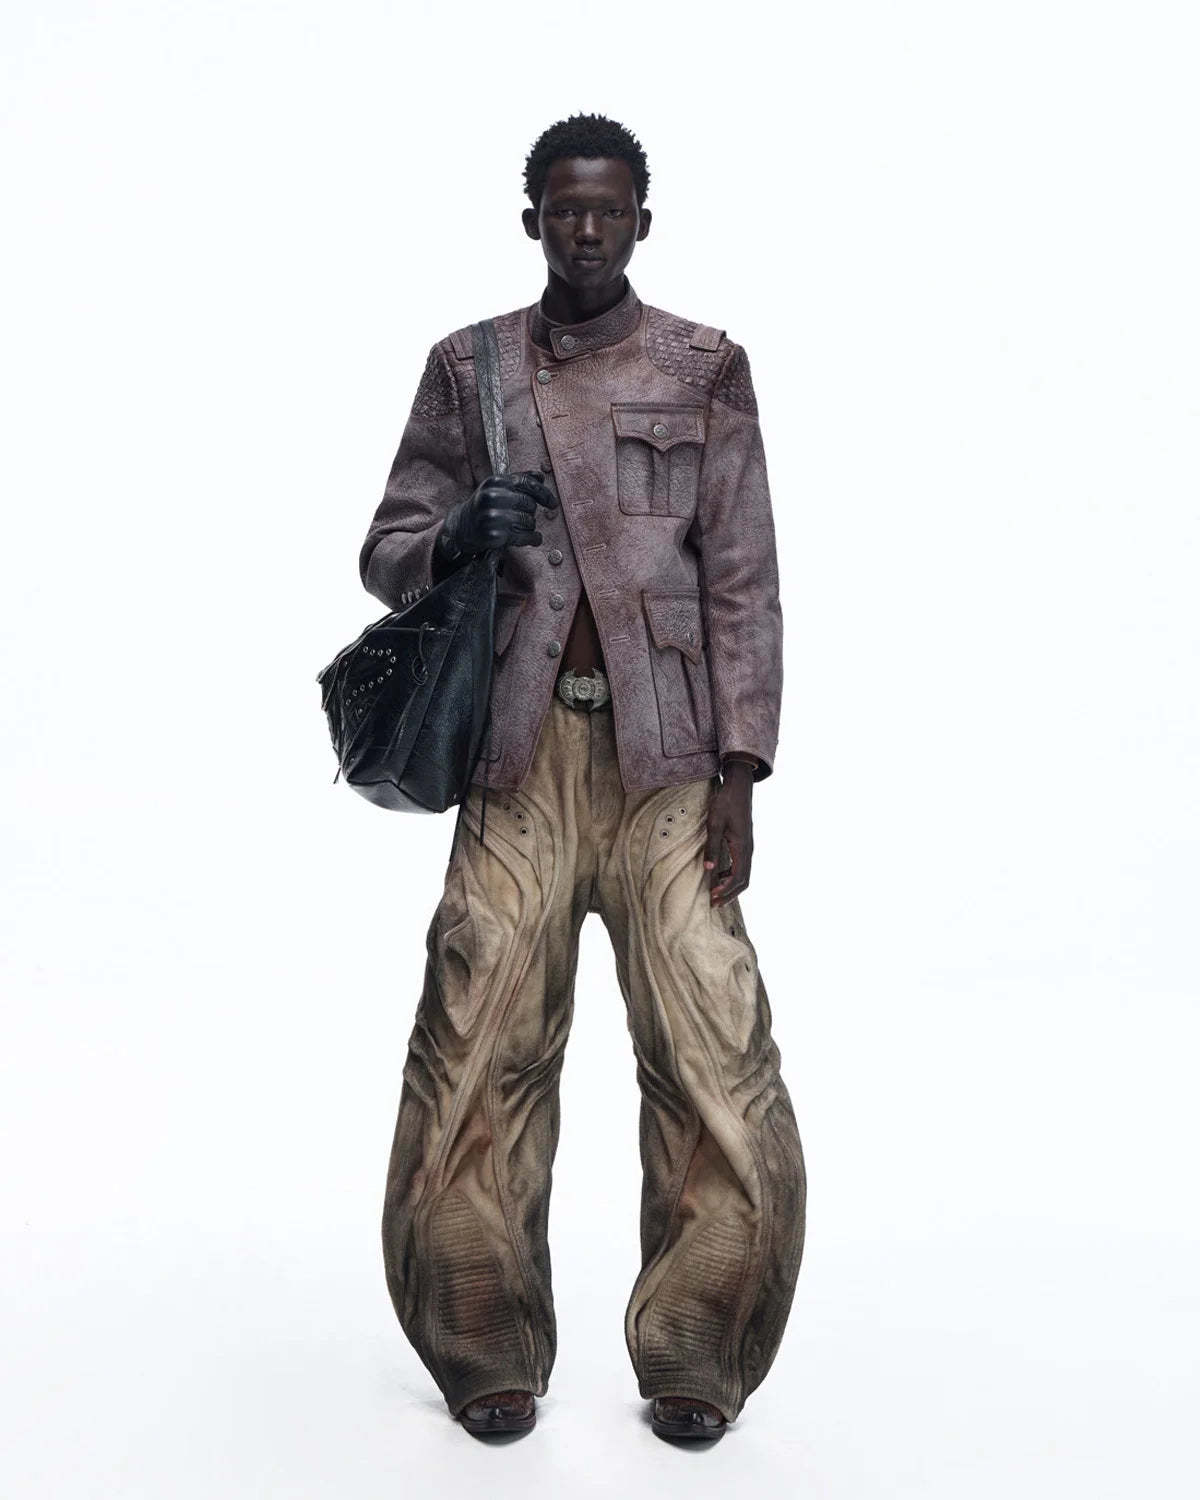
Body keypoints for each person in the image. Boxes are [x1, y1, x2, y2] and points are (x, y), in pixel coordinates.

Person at [359, 112, 806, 1442]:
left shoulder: (706, 366)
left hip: (671, 767)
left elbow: (744, 577)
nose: (588, 230)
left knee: (714, 1049)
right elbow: (385, 550)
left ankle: (699, 1351)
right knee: (478, 1041)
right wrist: (453, 534)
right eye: (565, 209)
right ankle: (480, 1337)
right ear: (533, 220)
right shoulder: (471, 368)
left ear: (642, 222)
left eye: (609, 210)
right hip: (516, 759)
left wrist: (742, 769)